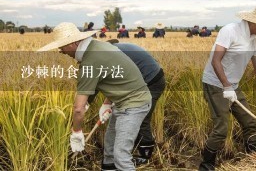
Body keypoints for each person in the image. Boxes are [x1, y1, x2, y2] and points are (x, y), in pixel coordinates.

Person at [37, 22, 152, 170]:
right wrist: (107, 102)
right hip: (123, 102)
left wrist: (76, 133)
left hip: (134, 106)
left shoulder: (90, 61)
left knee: (121, 156)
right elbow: (117, 78)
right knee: (109, 149)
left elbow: (78, 108)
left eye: (62, 46)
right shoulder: (99, 47)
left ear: (73, 43)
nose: (61, 51)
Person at [200, 3, 256, 170]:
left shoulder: (252, 39)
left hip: (233, 85)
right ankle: (206, 165)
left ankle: (254, 161)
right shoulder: (230, 31)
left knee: (249, 123)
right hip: (215, 84)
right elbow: (215, 60)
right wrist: (226, 86)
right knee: (221, 129)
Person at [88, 42, 165, 166]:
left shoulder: (112, 55)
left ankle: (145, 155)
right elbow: (117, 83)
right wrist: (107, 103)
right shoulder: (113, 52)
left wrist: (84, 106)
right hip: (147, 77)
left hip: (151, 80)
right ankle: (121, 154)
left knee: (141, 116)